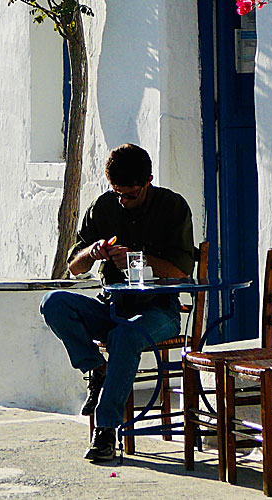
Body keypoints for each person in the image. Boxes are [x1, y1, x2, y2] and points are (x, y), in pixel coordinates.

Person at [40, 143, 196, 462]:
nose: (124, 200)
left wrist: (136, 258)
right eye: (118, 193)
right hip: (111, 304)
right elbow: (74, 266)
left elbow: (181, 271)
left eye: (131, 194)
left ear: (148, 181)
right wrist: (92, 252)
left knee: (125, 335)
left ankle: (106, 431)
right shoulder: (104, 207)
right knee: (53, 303)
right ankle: (96, 367)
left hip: (158, 309)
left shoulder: (172, 207)